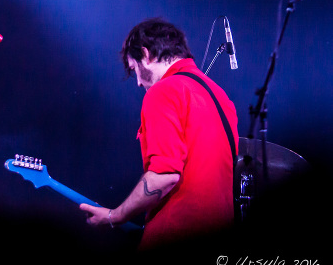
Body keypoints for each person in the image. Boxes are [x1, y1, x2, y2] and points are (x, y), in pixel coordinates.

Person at [80, 17, 238, 252]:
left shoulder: (163, 91)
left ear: (146, 54)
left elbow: (164, 176)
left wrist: (115, 216)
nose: (138, 83)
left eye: (134, 69)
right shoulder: (221, 97)